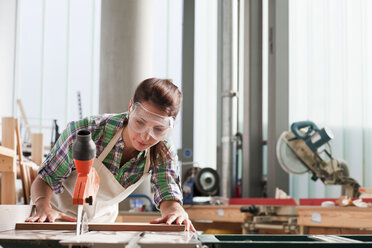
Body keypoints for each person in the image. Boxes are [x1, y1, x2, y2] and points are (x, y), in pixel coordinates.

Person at [26, 78, 195, 232]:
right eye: (140, 122)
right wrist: (42, 206)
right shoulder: (86, 132)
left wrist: (175, 211)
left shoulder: (163, 150)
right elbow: (45, 179)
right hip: (56, 219)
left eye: (158, 129)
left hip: (101, 227)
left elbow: (168, 194)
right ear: (131, 109)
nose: (145, 136)